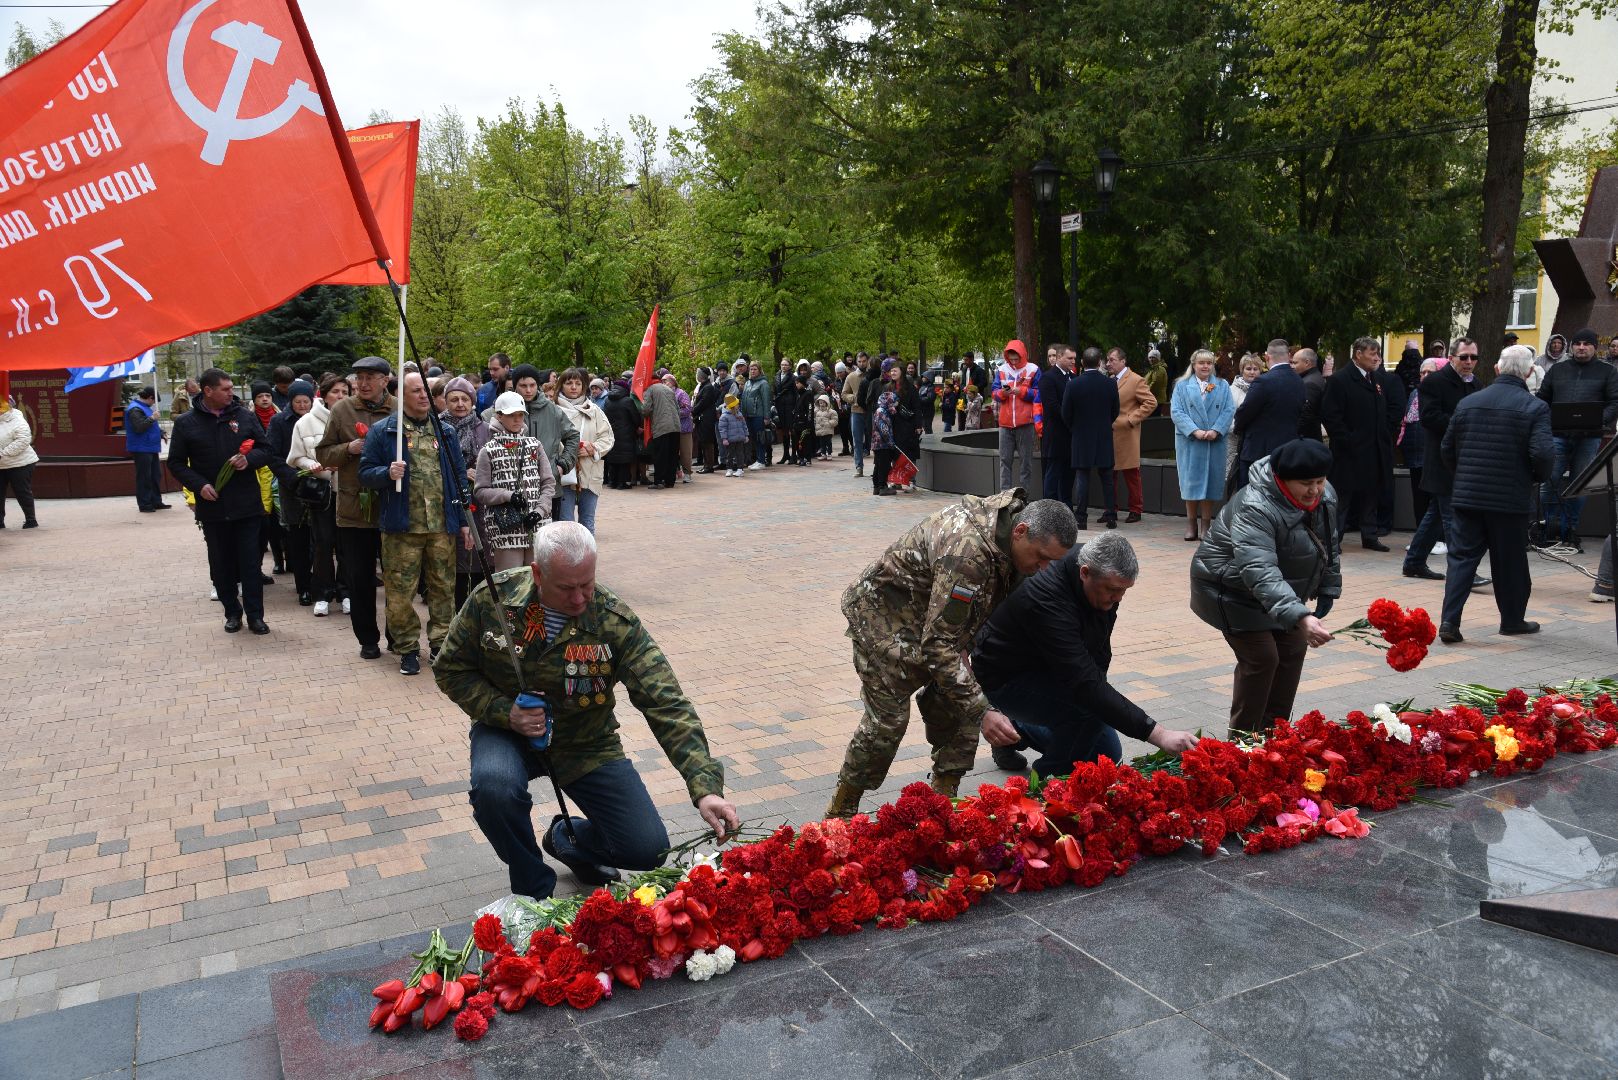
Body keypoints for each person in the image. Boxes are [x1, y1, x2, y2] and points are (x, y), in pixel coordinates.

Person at [435, 521, 740, 897]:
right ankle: (533, 886)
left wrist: (705, 787)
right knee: (494, 788)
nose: (580, 598)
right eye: (567, 588)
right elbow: (450, 669)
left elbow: (665, 702)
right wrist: (504, 711)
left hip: (586, 742)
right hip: (507, 731)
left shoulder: (614, 620)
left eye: (587, 584)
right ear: (537, 573)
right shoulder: (493, 600)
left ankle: (567, 837)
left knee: (647, 849)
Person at [825, 494, 1078, 817]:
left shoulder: (1011, 539)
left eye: (1052, 563)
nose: (1043, 569)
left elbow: (961, 623)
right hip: (883, 620)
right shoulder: (968, 553)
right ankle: (841, 810)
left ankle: (943, 802)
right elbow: (938, 645)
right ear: (1020, 531)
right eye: (1042, 558)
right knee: (888, 722)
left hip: (934, 618)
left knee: (961, 704)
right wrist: (983, 711)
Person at [974, 533, 1200, 775]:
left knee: (1104, 754)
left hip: (1051, 667)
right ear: (1085, 573)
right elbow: (1083, 684)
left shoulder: (1102, 576)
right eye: (1113, 590)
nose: (1118, 599)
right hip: (1005, 675)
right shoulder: (1045, 597)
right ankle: (1047, 783)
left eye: (1124, 591)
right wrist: (1159, 734)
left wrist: (1102, 698)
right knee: (1088, 712)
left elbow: (1099, 650)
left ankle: (1012, 732)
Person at [1191, 440, 1340, 738]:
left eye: (1320, 481)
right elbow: (1259, 570)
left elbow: (1328, 542)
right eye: (1305, 483)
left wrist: (1328, 587)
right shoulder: (1254, 505)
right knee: (1262, 659)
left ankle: (1274, 736)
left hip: (1279, 594)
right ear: (1282, 480)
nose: (1314, 490)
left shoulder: (1325, 496)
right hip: (1231, 590)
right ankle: (1243, 742)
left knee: (1294, 649)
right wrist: (1300, 616)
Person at [1439, 346, 1556, 644]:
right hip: (1509, 499)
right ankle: (1512, 620)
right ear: (1530, 372)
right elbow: (1542, 455)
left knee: (1462, 559)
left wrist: (1463, 477)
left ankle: (1450, 621)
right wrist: (1535, 479)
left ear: (1496, 368)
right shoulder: (1534, 407)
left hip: (1468, 495)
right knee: (1510, 562)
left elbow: (1447, 449)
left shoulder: (1468, 402)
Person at [362, 370, 473, 676]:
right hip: (402, 527)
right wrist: (386, 473)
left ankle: (440, 643)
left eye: (427, 390)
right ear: (403, 396)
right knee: (400, 592)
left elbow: (459, 476)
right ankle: (408, 648)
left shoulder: (445, 432)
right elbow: (365, 473)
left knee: (443, 589)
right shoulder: (386, 432)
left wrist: (463, 519)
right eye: (416, 391)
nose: (424, 396)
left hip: (441, 525)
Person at [166, 368, 277, 634]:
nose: (232, 393)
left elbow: (266, 450)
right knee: (221, 563)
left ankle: (255, 616)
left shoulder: (244, 417)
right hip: (213, 507)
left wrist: (247, 460)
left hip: (246, 505)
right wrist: (199, 485)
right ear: (208, 391)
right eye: (226, 389)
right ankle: (232, 612)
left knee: (250, 562)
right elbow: (176, 463)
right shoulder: (187, 423)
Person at [316, 356, 396, 660]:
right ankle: (367, 639)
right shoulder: (343, 410)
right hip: (355, 510)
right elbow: (323, 454)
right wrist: (348, 448)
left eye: (369, 377)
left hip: (393, 508)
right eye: (359, 377)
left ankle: (397, 636)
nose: (362, 383)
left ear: (384, 380)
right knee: (360, 579)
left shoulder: (400, 409)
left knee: (397, 580)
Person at [1404, 340, 1483, 583]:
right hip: (1441, 461)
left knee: (1435, 517)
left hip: (1464, 460)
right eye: (1464, 357)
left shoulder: (1476, 384)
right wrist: (1462, 424)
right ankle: (1463, 572)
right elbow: (1428, 418)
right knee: (1453, 519)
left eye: (1473, 357)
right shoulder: (1435, 383)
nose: (1469, 362)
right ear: (1451, 357)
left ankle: (1415, 562)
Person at [1535, 326, 1618, 552]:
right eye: (1578, 344)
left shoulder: (1608, 371)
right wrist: (1546, 419)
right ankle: (1549, 528)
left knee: (1579, 485)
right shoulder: (1558, 370)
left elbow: (1615, 401)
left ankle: (1569, 530)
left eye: (1586, 344)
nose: (1581, 348)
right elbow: (1543, 398)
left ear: (1595, 347)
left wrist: (1601, 419)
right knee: (1548, 481)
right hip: (1558, 434)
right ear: (1571, 346)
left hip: (1590, 436)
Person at [1320, 337, 1398, 551]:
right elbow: (1331, 415)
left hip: (1374, 450)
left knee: (1371, 494)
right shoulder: (1340, 380)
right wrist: (1348, 439)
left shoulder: (1376, 379)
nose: (1377, 358)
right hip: (1350, 452)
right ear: (1358, 354)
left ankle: (1369, 534)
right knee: (1343, 497)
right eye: (1372, 354)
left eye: (1378, 354)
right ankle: (1333, 540)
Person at [476, 391, 556, 573]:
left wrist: (540, 511)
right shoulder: (488, 450)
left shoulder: (534, 445)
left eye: (520, 415)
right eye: (511, 415)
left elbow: (548, 483)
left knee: (538, 581)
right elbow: (480, 491)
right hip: (505, 527)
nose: (517, 419)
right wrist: (507, 495)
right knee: (510, 582)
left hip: (537, 525)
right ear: (499, 416)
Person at [289, 374, 348, 617]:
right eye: (336, 392)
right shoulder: (306, 422)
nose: (341, 397)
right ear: (323, 395)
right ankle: (322, 593)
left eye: (345, 392)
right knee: (323, 543)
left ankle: (346, 592)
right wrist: (313, 466)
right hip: (323, 493)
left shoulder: (353, 418)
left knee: (347, 545)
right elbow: (295, 457)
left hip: (349, 492)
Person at [1171, 349, 1236, 540]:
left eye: (1209, 363)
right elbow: (1177, 412)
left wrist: (1216, 430)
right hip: (1190, 442)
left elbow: (1228, 410)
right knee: (1191, 484)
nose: (1205, 366)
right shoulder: (1182, 386)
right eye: (1201, 363)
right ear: (1194, 365)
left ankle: (1206, 525)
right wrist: (1194, 431)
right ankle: (1191, 524)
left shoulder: (1222, 386)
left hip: (1214, 442)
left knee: (1210, 485)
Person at [441, 376, 493, 606]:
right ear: (446, 402)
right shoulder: (438, 427)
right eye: (454, 399)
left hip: (480, 502)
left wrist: (478, 473)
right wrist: (461, 474)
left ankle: (481, 605)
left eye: (464, 399)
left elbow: (493, 462)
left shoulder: (484, 428)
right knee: (456, 555)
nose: (460, 404)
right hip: (450, 501)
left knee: (480, 552)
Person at [1230, 341, 1305, 496]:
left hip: (1258, 451)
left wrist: (1238, 429)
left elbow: (1244, 413)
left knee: (1251, 497)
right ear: (1289, 356)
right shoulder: (1298, 380)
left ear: (1266, 357)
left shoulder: (1264, 381)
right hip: (1287, 449)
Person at [266, 380, 317, 606]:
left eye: (306, 401)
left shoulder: (318, 419)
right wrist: (292, 476)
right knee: (297, 537)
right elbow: (273, 455)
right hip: (293, 486)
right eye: (298, 402)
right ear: (291, 401)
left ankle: (322, 583)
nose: (303, 406)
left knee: (320, 538)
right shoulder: (279, 422)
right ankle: (303, 586)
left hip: (318, 484)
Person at [1062, 347, 1119, 529]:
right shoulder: (1110, 384)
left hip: (1081, 436)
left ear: (1082, 363)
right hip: (1103, 436)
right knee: (1107, 478)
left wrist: (1075, 428)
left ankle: (1081, 518)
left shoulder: (1073, 384)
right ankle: (1111, 516)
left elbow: (1066, 412)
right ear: (1100, 361)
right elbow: (1115, 411)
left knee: (1082, 477)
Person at [555, 367, 615, 532]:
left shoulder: (594, 410)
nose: (574, 387)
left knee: (587, 523)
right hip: (563, 473)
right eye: (569, 383)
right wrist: (567, 451)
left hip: (589, 471)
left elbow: (607, 437)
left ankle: (587, 558)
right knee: (566, 523)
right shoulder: (553, 410)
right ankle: (569, 558)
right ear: (561, 386)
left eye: (578, 383)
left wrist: (592, 448)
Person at [992, 340, 1039, 491]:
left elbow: (1039, 394)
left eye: (1016, 359)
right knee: (1004, 462)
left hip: (1026, 423)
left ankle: (1023, 497)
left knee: (1026, 463)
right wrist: (1002, 394)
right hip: (1005, 424)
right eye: (1010, 359)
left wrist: (1023, 392)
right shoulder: (1001, 370)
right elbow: (994, 393)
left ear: (1022, 355)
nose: (1013, 362)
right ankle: (1004, 497)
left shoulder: (1033, 369)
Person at [1040, 345, 1076, 504]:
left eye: (1074, 358)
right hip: (1056, 435)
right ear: (1060, 357)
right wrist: (1072, 419)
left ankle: (1067, 507)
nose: (1073, 361)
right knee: (1053, 474)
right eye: (1070, 358)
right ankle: (1049, 507)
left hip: (1071, 436)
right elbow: (1052, 406)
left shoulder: (1074, 377)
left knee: (1069, 474)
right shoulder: (1048, 377)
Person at [126, 386, 169, 513]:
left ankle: (156, 501)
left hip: (150, 446)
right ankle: (144, 504)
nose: (154, 403)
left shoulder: (145, 408)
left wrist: (161, 432)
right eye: (154, 401)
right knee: (144, 476)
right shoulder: (135, 409)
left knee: (155, 475)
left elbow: (151, 426)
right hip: (141, 447)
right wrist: (152, 418)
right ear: (150, 398)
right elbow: (139, 427)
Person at [0, 393, 40, 529]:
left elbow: (23, 439)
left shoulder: (16, 418)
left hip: (20, 463)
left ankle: (31, 520)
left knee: (21, 491)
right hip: (1, 464)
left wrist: (3, 453)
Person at [601, 379, 642, 490]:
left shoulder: (607, 400)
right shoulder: (628, 401)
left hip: (611, 433)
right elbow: (636, 417)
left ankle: (612, 481)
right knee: (624, 459)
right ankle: (622, 483)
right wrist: (637, 426)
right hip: (626, 434)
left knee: (613, 458)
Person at [643, 374, 681, 488]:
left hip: (661, 427)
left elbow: (646, 409)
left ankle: (658, 481)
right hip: (675, 426)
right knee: (672, 455)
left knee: (660, 455)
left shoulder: (650, 389)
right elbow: (677, 408)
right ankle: (670, 481)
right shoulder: (669, 389)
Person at [1291, 347, 1326, 440]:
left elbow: (1305, 415)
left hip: (1306, 439)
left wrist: (1294, 435)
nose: (1292, 366)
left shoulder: (1309, 383)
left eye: (1295, 363)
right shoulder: (1314, 377)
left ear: (1307, 363)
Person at [690, 367, 721, 474]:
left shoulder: (708, 387)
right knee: (704, 442)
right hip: (703, 418)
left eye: (699, 373)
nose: (697, 375)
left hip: (706, 418)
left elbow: (703, 402)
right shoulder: (704, 386)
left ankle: (709, 466)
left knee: (707, 442)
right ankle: (706, 465)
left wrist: (692, 411)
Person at [842, 356, 868, 477]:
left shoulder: (873, 375)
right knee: (857, 440)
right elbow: (844, 394)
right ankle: (859, 467)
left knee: (876, 441)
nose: (862, 364)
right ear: (856, 362)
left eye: (864, 361)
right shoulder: (851, 376)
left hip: (871, 412)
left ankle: (879, 467)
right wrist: (853, 398)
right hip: (856, 411)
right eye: (859, 361)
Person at [717, 394, 749, 476]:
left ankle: (740, 469)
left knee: (740, 454)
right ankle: (729, 469)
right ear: (733, 406)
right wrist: (724, 439)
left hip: (740, 438)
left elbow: (744, 425)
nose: (738, 405)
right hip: (730, 440)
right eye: (737, 404)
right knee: (729, 455)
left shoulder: (740, 414)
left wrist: (746, 435)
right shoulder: (724, 417)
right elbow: (722, 429)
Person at [1144, 348, 1169, 416]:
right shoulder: (1152, 369)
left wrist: (1144, 392)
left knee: (1154, 421)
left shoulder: (1159, 369)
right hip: (1152, 399)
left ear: (1158, 359)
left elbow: (1155, 384)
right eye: (1150, 357)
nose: (1151, 359)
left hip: (1157, 399)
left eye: (1153, 357)